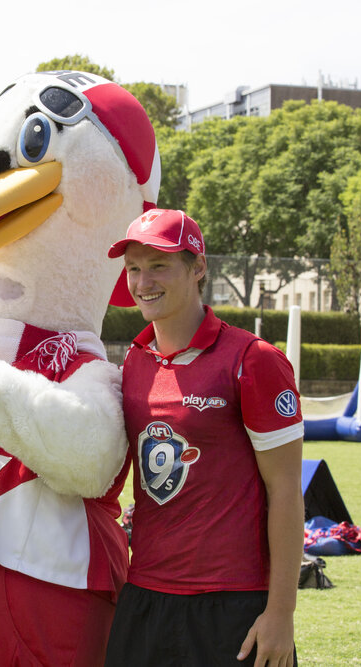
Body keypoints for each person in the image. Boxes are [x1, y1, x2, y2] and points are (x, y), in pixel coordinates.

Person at [104, 209, 305, 667]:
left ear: (198, 268)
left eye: (158, 265)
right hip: (145, 596)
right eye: (133, 267)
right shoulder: (134, 362)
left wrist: (281, 613)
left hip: (233, 604)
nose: (142, 281)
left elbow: (287, 493)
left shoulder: (253, 361)